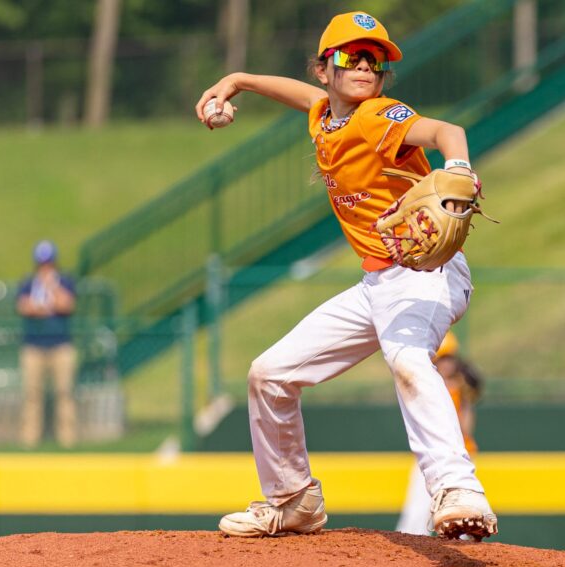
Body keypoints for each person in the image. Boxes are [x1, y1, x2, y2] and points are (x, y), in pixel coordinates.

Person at [196, 11, 498, 540]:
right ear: (325, 70)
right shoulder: (325, 114)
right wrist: (238, 80)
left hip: (428, 275)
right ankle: (292, 501)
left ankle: (457, 488)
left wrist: (459, 168)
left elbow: (448, 130)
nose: (363, 65)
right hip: (377, 285)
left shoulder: (378, 115)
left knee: (407, 359)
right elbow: (298, 96)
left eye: (374, 59)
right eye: (350, 56)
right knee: (270, 375)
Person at [396, 331, 484, 535]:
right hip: (429, 457)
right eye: (441, 358)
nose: (446, 363)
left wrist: (466, 399)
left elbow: (466, 430)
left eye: (449, 358)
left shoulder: (458, 389)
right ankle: (408, 556)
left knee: (461, 511)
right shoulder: (426, 387)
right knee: (417, 513)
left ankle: (463, 549)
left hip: (458, 458)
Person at [15, 240, 78, 448]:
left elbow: (66, 304)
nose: (45, 268)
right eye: (42, 264)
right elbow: (25, 307)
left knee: (64, 392)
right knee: (32, 394)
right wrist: (44, 306)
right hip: (33, 346)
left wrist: (51, 288)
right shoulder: (28, 283)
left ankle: (67, 440)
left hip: (61, 345)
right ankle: (29, 440)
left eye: (49, 263)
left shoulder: (65, 282)